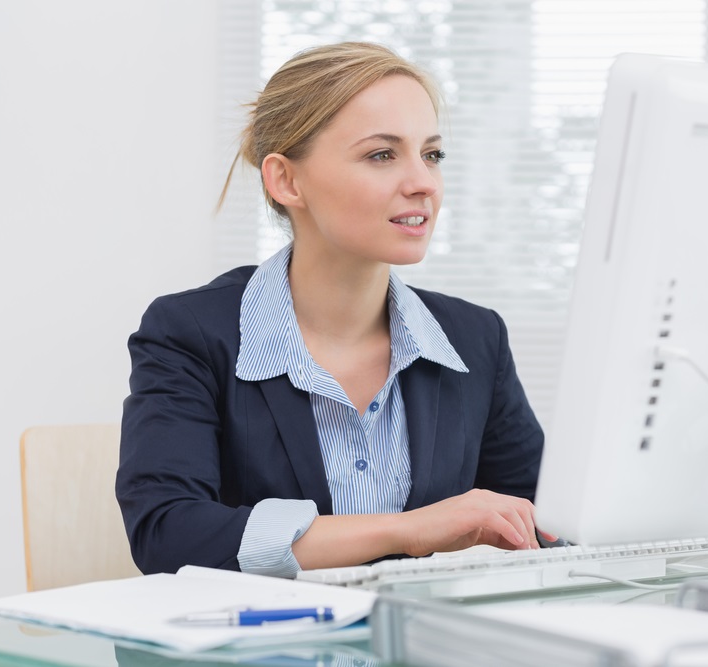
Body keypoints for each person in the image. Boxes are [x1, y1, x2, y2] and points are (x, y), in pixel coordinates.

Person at [116, 41, 546, 578]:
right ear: (287, 180)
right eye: (381, 155)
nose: (423, 184)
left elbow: (545, 522)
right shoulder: (192, 333)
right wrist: (408, 530)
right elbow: (168, 534)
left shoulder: (474, 338)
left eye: (431, 154)